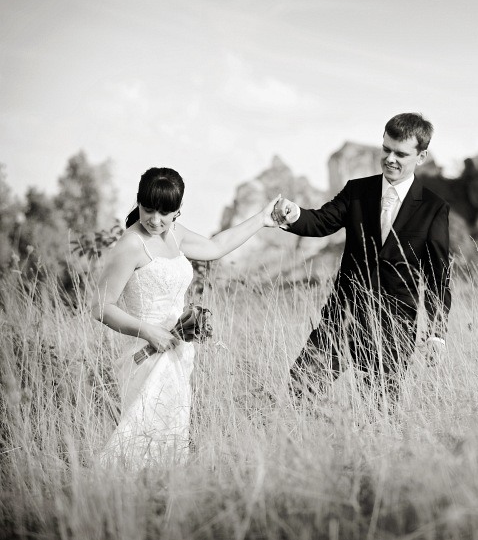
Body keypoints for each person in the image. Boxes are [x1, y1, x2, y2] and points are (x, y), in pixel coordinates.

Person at [92, 167, 279, 468]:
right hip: (146, 356)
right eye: (148, 209)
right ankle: (112, 499)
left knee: (170, 442)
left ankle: (159, 503)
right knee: (139, 438)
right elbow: (101, 306)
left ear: (178, 211)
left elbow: (216, 247)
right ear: (138, 203)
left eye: (165, 213)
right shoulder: (131, 244)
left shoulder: (175, 235)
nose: (155, 220)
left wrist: (261, 219)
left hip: (179, 354)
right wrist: (149, 332)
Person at [275, 112, 452, 406]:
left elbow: (438, 275)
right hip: (340, 321)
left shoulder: (434, 208)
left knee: (379, 415)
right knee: (298, 394)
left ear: (421, 157)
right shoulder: (357, 192)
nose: (390, 159)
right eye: (386, 149)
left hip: (394, 331)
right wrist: (294, 215)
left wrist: (436, 333)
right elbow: (320, 222)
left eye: (401, 154)